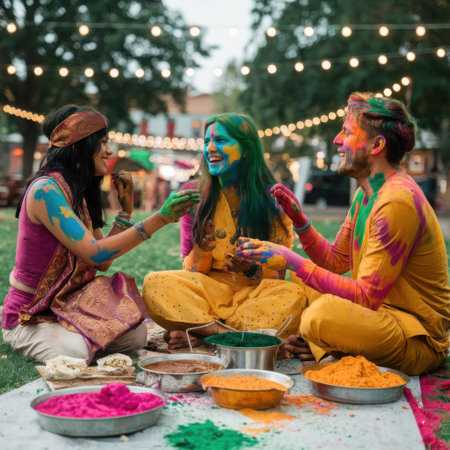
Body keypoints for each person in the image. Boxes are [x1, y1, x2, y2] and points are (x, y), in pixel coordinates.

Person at [236, 92, 450, 376]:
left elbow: (366, 297)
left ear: (377, 145)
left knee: (318, 315)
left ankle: (325, 346)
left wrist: (290, 259)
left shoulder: (397, 200)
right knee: (306, 283)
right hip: (381, 317)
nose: (337, 140)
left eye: (347, 133)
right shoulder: (366, 193)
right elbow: (335, 261)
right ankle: (326, 348)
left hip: (418, 339)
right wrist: (299, 220)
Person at [1, 105, 200, 363]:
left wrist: (125, 213)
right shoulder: (45, 191)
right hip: (30, 314)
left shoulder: (78, 192)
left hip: (69, 307)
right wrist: (159, 218)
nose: (109, 151)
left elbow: (103, 261)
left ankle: (82, 337)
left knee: (136, 335)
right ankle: (72, 339)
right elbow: (94, 254)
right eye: (103, 143)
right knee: (75, 352)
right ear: (77, 146)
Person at [142, 113, 304, 349]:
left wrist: (250, 269)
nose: (210, 149)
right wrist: (202, 250)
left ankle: (203, 331)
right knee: (154, 283)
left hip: (254, 296)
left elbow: (279, 274)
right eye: (207, 141)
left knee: (294, 296)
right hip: (209, 293)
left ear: (246, 150)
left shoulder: (273, 200)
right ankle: (227, 334)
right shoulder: (193, 195)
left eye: (221, 141)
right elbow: (192, 273)